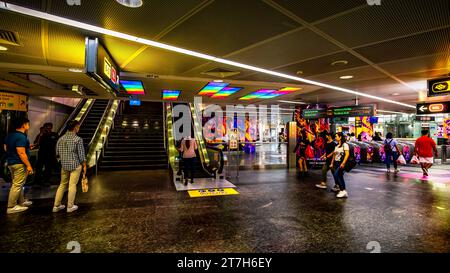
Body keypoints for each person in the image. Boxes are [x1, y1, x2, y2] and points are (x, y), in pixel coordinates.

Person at [52, 120, 87, 213]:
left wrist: (62, 161)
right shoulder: (78, 139)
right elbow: (81, 155)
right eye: (78, 127)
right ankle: (70, 206)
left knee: (62, 184)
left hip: (64, 165)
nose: (78, 128)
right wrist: (84, 165)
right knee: (72, 185)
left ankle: (56, 206)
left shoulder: (60, 139)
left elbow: (57, 153)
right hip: (75, 165)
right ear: (75, 127)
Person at [4, 117, 34, 214]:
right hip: (19, 164)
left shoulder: (10, 135)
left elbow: (5, 148)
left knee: (17, 184)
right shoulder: (21, 136)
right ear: (23, 125)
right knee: (17, 185)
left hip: (11, 162)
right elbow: (21, 153)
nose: (28, 125)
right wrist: (29, 165)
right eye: (27, 124)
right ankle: (11, 206)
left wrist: (26, 147)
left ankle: (21, 201)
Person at [330, 132, 350, 198]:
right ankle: (343, 191)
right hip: (336, 163)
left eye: (336, 136)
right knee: (340, 177)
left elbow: (347, 154)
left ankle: (342, 190)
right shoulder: (337, 146)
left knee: (336, 175)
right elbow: (334, 155)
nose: (335, 138)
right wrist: (332, 163)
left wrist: (343, 163)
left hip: (341, 163)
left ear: (340, 137)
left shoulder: (345, 145)